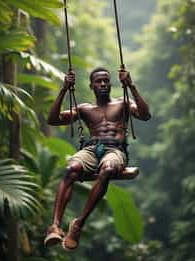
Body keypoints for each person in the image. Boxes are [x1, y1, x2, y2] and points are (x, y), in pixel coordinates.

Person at [44, 67, 151, 251]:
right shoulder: (85, 108)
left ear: (110, 84)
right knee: (71, 169)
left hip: (115, 150)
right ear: (91, 85)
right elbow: (53, 120)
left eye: (106, 81)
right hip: (92, 149)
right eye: (98, 81)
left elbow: (145, 115)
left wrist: (131, 85)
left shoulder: (123, 103)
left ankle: (78, 225)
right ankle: (55, 226)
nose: (103, 84)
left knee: (108, 168)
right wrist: (64, 89)